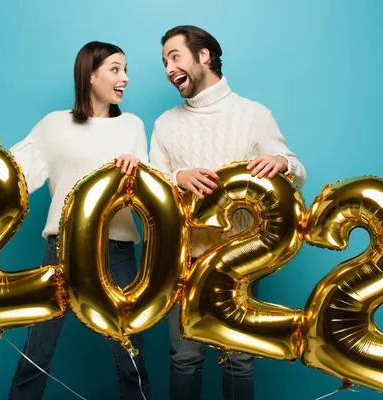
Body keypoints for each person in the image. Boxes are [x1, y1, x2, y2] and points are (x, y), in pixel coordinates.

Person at [0, 41, 150, 400]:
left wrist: (137, 170)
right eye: (115, 69)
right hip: (63, 249)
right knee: (36, 353)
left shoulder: (132, 125)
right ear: (90, 75)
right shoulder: (54, 125)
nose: (125, 78)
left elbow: (149, 190)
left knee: (131, 358)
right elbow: (16, 174)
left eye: (126, 69)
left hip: (118, 252)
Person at [149, 25, 307, 400]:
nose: (169, 69)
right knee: (184, 355)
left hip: (242, 261)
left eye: (175, 57)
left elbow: (297, 170)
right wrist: (177, 176)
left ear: (204, 56)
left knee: (239, 358)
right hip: (184, 259)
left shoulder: (253, 114)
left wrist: (281, 162)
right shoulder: (165, 124)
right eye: (164, 63)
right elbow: (152, 181)